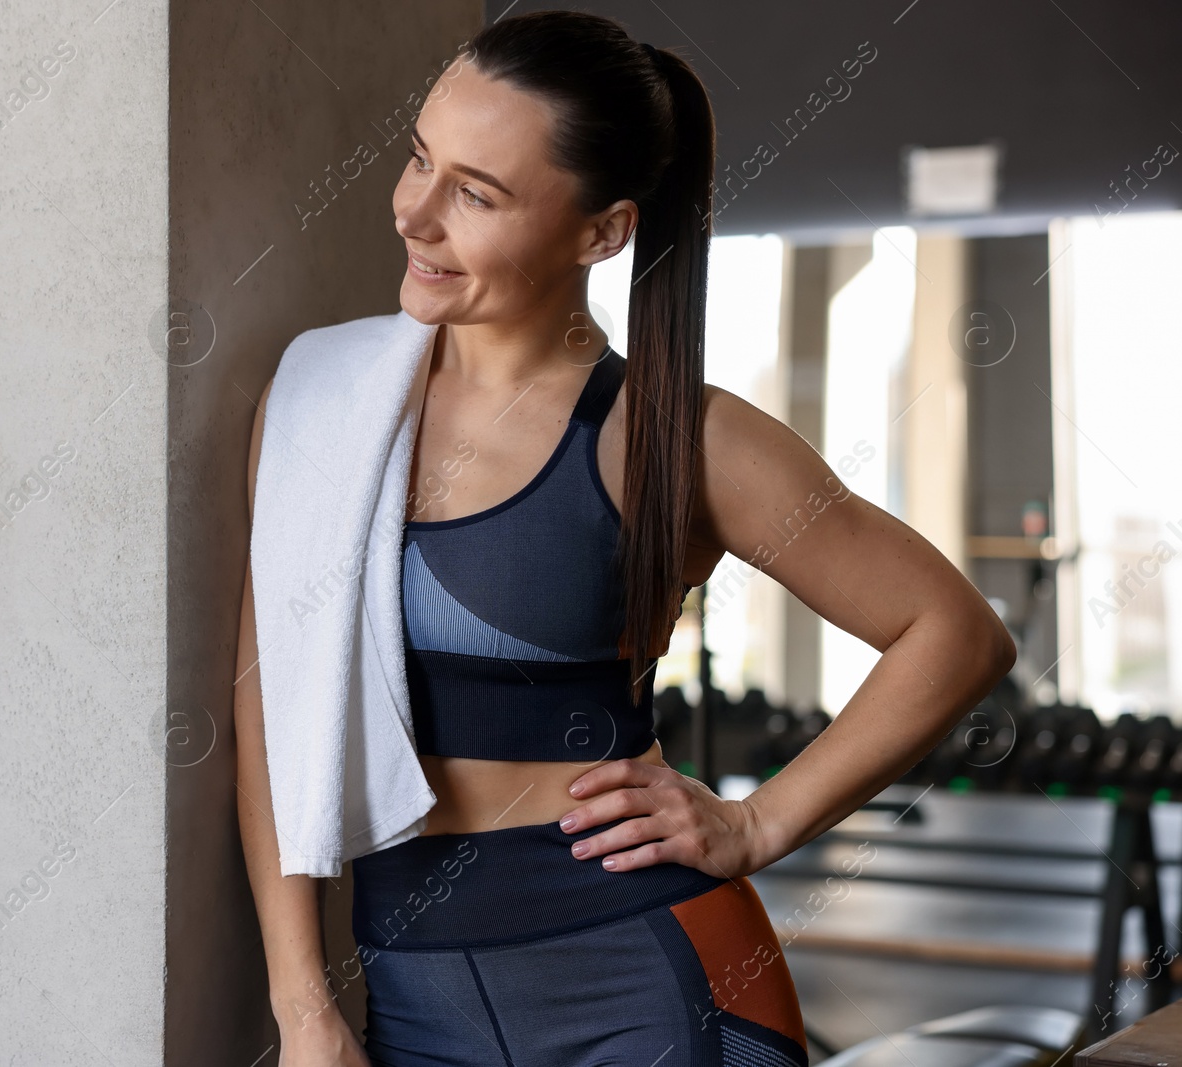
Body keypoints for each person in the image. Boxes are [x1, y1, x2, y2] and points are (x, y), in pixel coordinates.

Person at [235, 10, 1016, 1067]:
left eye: (476, 192)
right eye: (419, 160)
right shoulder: (322, 399)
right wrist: (301, 1005)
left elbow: (953, 631)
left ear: (600, 232)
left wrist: (760, 821)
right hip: (413, 995)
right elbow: (267, 698)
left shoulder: (675, 435)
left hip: (644, 983)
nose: (415, 214)